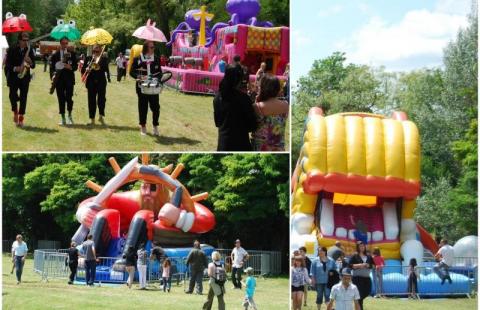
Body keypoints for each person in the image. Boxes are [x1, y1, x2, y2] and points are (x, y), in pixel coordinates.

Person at [213, 64, 257, 151]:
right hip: (242, 145)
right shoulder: (244, 98)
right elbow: (252, 126)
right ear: (239, 79)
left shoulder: (217, 98)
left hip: (223, 145)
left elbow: (217, 123)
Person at [130, 40, 163, 136]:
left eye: (154, 47)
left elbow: (159, 72)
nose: (153, 49)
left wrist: (158, 79)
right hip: (142, 87)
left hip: (153, 87)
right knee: (143, 107)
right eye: (151, 47)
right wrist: (138, 77)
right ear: (146, 48)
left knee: (156, 107)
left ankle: (155, 126)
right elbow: (131, 72)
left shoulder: (156, 58)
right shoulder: (137, 59)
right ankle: (143, 126)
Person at [4, 32, 35, 127]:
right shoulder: (12, 49)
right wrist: (16, 68)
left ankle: (21, 118)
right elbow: (7, 64)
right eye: (24, 40)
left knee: (23, 97)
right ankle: (15, 112)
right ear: (19, 40)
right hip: (13, 76)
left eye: (27, 40)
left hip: (25, 77)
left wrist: (30, 61)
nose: (26, 42)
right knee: (12, 95)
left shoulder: (30, 50)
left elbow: (33, 65)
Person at [252, 74, 289, 151]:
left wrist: (257, 102)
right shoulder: (286, 105)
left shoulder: (257, 106)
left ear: (263, 88)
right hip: (279, 148)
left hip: (260, 148)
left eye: (259, 86)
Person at [50, 37, 78, 125]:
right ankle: (62, 118)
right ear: (60, 43)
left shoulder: (72, 53)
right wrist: (53, 76)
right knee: (61, 98)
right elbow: (52, 68)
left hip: (69, 80)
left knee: (69, 98)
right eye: (63, 43)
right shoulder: (55, 54)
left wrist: (70, 67)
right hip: (59, 80)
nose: (65, 45)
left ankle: (69, 116)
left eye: (66, 43)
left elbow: (76, 67)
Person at [81, 44, 111, 125]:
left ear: (101, 50)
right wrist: (86, 69)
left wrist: (99, 66)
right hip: (91, 81)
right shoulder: (88, 58)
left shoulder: (104, 58)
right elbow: (83, 69)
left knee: (101, 99)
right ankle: (92, 118)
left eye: (97, 49)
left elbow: (106, 69)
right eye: (94, 49)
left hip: (101, 81)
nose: (95, 51)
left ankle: (101, 115)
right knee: (91, 100)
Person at [348, 241, 373, 310]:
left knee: (368, 291)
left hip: (367, 278)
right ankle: (359, 307)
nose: (362, 247)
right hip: (357, 279)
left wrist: (368, 265)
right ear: (358, 247)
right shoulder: (354, 256)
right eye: (360, 246)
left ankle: (357, 303)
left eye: (363, 246)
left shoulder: (368, 256)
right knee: (359, 296)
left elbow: (373, 265)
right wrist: (360, 265)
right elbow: (349, 266)